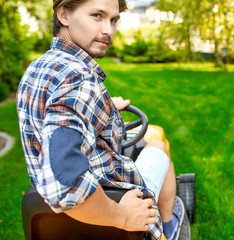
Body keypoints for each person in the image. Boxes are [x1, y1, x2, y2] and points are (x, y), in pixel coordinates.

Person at [16, 0, 184, 239]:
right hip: (109, 201)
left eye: (113, 19)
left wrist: (105, 107)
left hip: (53, 219)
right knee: (159, 146)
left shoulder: (38, 69)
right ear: (64, 14)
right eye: (97, 15)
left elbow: (57, 116)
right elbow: (65, 181)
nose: (108, 30)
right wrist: (122, 215)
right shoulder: (79, 80)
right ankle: (168, 228)